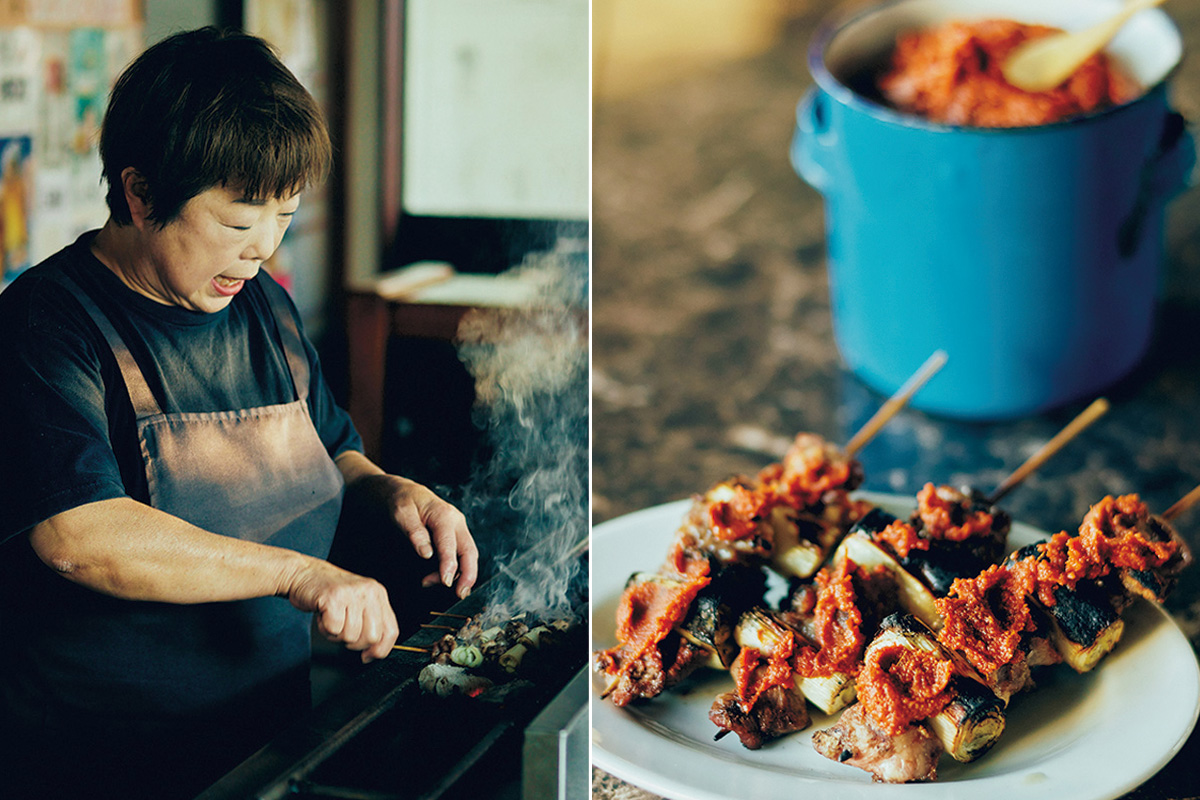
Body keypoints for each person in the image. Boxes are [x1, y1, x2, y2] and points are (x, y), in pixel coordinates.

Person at [0, 27, 478, 799]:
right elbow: (79, 535)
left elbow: (334, 453)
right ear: (141, 192)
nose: (263, 247)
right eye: (237, 219)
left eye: (285, 214)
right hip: (101, 762)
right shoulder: (45, 328)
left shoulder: (264, 308)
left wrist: (394, 493)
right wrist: (299, 575)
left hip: (265, 742)